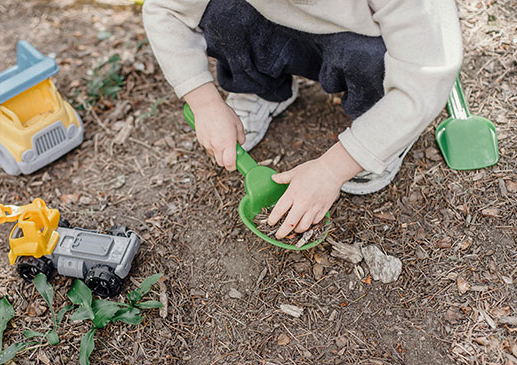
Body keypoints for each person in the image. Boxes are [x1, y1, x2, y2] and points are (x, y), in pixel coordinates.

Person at [142, 0, 463, 239]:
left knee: (370, 58)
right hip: (271, 19)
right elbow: (165, 8)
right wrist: (204, 101)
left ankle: (377, 124)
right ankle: (260, 87)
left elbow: (424, 77)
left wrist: (333, 167)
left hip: (359, 36)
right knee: (221, 11)